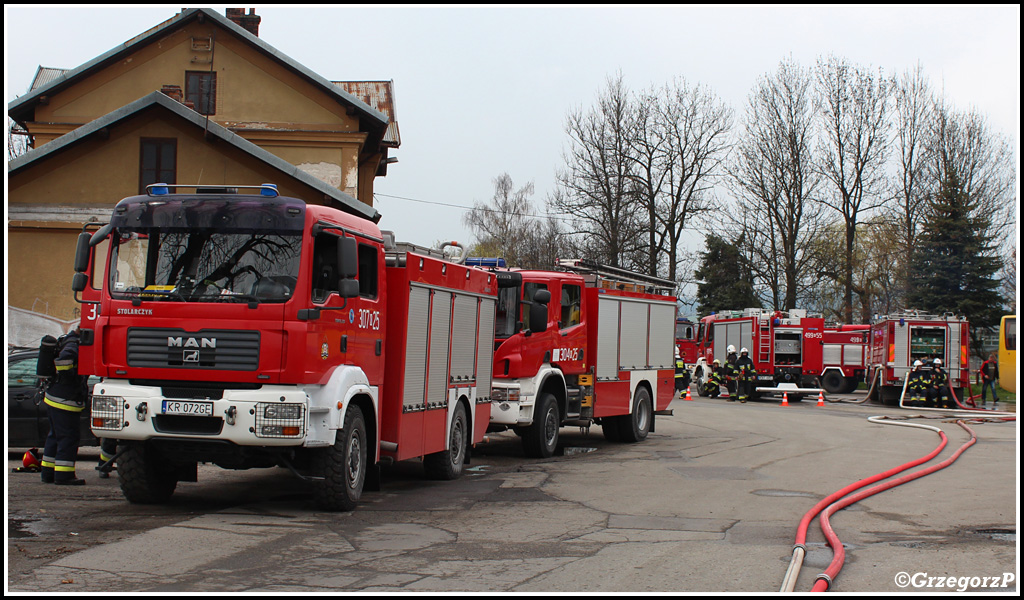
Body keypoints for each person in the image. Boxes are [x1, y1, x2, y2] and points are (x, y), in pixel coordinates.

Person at [40, 328, 88, 485]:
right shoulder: (74, 344)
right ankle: (64, 475)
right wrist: (72, 378)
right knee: (68, 437)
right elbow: (63, 360)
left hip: (55, 397)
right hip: (65, 399)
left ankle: (48, 473)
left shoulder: (67, 340)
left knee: (55, 436)